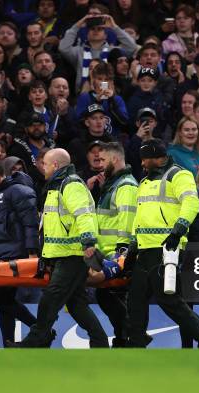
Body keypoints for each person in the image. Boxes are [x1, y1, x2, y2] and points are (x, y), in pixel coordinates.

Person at [126, 138, 199, 348]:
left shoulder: (179, 175)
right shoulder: (144, 181)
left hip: (165, 247)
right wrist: (134, 244)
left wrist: (178, 231)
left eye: (144, 159)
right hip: (145, 248)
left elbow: (191, 202)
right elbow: (140, 215)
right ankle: (136, 339)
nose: (141, 163)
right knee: (135, 297)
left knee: (169, 299)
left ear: (156, 157)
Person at [18, 148, 108, 348]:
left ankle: (35, 341)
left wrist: (88, 242)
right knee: (76, 305)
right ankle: (100, 342)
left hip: (73, 255)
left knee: (49, 299)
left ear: (56, 165)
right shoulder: (57, 186)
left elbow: (84, 215)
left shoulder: (71, 185)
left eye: (45, 164)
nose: (43, 167)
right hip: (64, 254)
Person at [0, 160, 39, 347]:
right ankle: (9, 342)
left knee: (3, 299)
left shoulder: (18, 191)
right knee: (4, 300)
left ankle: (40, 329)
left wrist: (32, 252)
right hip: (0, 254)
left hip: (14, 254)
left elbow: (30, 223)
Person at [91, 142, 138, 347]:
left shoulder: (126, 186)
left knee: (109, 296)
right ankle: (124, 338)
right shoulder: (113, 185)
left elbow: (127, 221)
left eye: (103, 160)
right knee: (110, 297)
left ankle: (131, 335)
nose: (99, 164)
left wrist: (121, 254)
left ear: (115, 159)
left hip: (116, 253)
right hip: (106, 252)